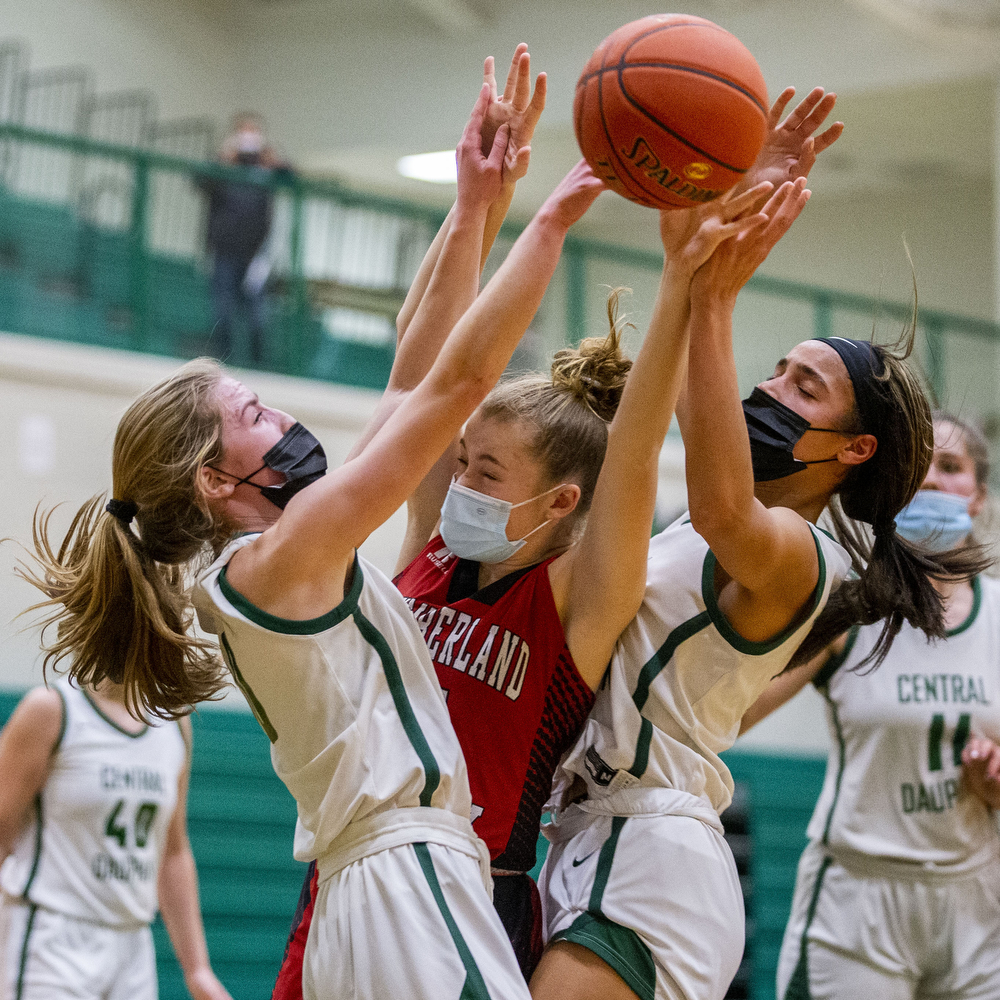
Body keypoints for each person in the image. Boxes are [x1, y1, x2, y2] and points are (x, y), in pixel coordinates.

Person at [14, 78, 609, 1000]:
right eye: (252, 411)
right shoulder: (274, 561)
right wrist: (551, 223)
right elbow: (450, 392)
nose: (280, 411)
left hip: (373, 883)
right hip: (402, 878)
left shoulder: (275, 556)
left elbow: (414, 373)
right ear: (217, 481)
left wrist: (475, 209)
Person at [269, 43, 775, 992]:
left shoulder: (573, 607)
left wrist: (680, 288)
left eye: (485, 469)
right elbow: (419, 377)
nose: (457, 478)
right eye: (460, 459)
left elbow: (630, 460)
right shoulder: (427, 557)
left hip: (469, 897)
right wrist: (477, 209)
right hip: (343, 883)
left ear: (559, 505)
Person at [529, 90, 986, 1000]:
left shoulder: (798, 555)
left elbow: (724, 496)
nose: (773, 388)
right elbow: (704, 454)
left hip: (651, 848)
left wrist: (715, 290)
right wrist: (712, 196)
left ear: (853, 450)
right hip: (595, 831)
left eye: (805, 387)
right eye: (779, 369)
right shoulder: (704, 515)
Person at [740, 412, 1000, 1000]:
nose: (932, 480)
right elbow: (727, 714)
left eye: (952, 467)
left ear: (979, 497)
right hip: (859, 896)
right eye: (920, 466)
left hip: (979, 897)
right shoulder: (851, 603)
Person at [0, 677, 231, 1000]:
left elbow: (172, 852)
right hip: (51, 936)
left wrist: (198, 969)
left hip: (133, 943)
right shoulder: (52, 708)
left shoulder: (174, 720)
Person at [199, 113, 292, 366]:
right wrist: (223, 160)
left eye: (253, 131)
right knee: (223, 311)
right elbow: (200, 181)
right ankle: (222, 363)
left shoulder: (266, 167)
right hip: (224, 250)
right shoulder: (224, 165)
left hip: (256, 254)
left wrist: (273, 162)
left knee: (258, 317)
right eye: (243, 131)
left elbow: (292, 177)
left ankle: (259, 366)